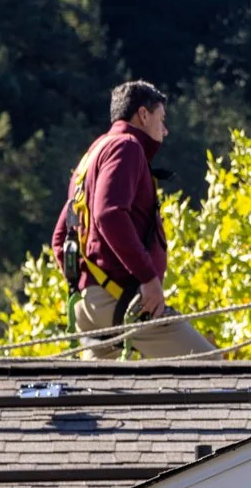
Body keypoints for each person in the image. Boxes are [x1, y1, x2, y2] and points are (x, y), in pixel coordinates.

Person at [51, 81, 217, 359]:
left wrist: (82, 283)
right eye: (161, 119)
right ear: (143, 114)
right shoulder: (126, 147)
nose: (165, 130)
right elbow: (109, 214)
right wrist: (148, 278)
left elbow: (60, 236)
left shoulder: (92, 155)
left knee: (106, 396)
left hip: (87, 306)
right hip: (119, 300)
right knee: (210, 365)